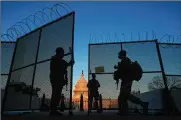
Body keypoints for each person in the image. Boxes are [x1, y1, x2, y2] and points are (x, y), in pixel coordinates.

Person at [114, 50, 149, 115]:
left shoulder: (125, 60)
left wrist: (117, 71)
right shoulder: (125, 60)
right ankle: (124, 111)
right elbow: (124, 69)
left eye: (119, 54)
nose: (118, 56)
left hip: (127, 81)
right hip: (126, 80)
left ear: (122, 54)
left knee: (124, 96)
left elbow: (124, 70)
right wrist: (118, 68)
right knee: (124, 96)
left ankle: (143, 104)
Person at [49, 47, 74, 116]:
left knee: (57, 94)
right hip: (56, 79)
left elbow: (68, 64)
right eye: (62, 53)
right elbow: (57, 68)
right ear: (59, 53)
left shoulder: (60, 60)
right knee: (56, 94)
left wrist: (71, 61)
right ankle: (53, 110)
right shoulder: (54, 59)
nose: (63, 54)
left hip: (59, 80)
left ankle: (54, 110)